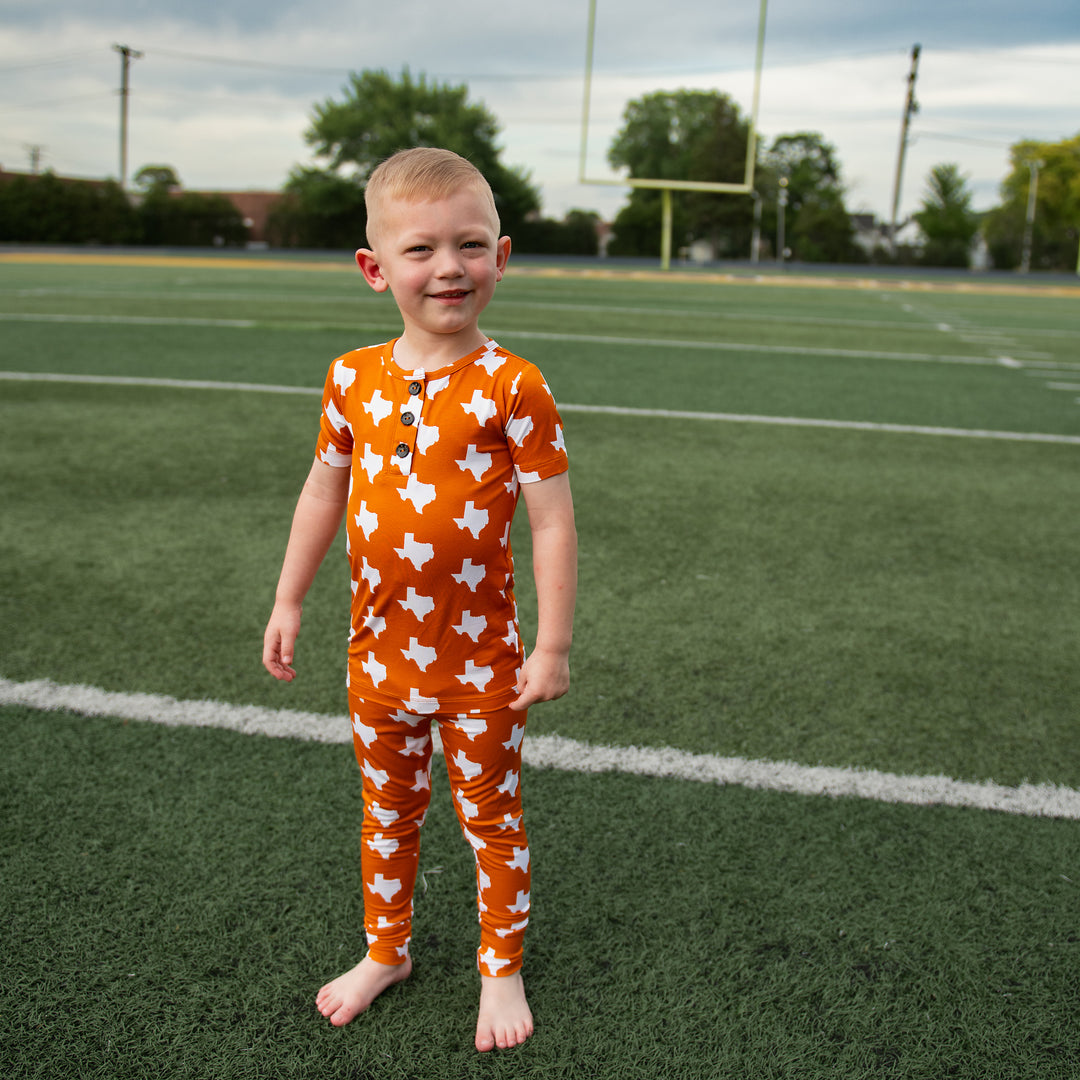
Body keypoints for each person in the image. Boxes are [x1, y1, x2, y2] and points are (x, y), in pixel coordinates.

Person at [262, 147, 577, 1053]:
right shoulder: (351, 377)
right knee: (387, 812)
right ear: (374, 269)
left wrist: (549, 647)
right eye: (421, 250)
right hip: (378, 657)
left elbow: (552, 523)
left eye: (471, 245)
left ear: (502, 257)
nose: (449, 267)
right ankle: (387, 950)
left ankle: (500, 967)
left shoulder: (515, 385)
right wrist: (290, 601)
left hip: (482, 661)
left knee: (491, 819)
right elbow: (323, 492)